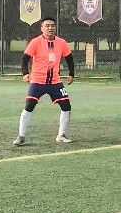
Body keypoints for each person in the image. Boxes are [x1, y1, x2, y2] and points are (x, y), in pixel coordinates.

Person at [13, 17, 75, 146]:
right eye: (47, 26)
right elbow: (25, 59)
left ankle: (61, 135)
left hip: (55, 81)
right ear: (42, 28)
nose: (50, 28)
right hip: (37, 80)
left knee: (66, 106)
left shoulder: (61, 42)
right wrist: (25, 73)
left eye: (52, 25)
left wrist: (71, 74)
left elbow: (69, 58)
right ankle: (21, 136)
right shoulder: (35, 42)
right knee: (29, 106)